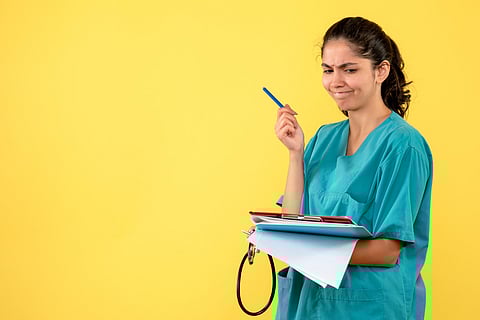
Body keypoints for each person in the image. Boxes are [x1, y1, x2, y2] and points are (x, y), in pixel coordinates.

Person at [274, 17, 432, 320]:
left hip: (369, 307)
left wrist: (305, 251)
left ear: (380, 71)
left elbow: (387, 251)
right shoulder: (323, 138)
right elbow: (293, 220)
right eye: (328, 70)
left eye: (349, 70)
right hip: (308, 303)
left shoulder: (403, 146)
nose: (336, 81)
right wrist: (295, 155)